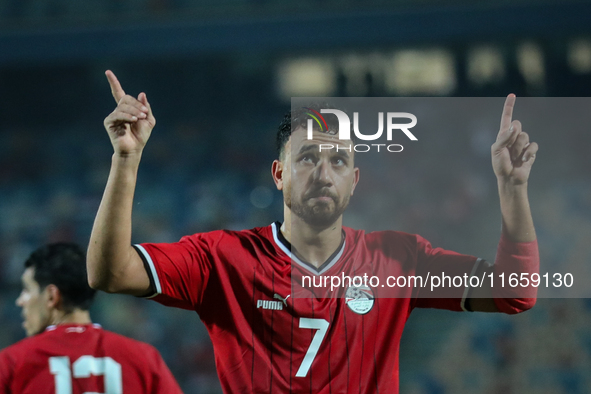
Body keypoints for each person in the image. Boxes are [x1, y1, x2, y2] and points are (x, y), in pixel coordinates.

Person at [87, 70, 539, 393]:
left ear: (355, 180)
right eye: (307, 158)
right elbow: (110, 273)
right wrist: (126, 159)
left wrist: (513, 187)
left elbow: (515, 292)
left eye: (338, 161)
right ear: (279, 173)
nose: (324, 173)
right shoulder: (223, 258)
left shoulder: (400, 259)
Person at [0, 242, 183, 394]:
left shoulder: (13, 362)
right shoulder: (144, 358)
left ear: (51, 296)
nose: (20, 301)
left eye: (26, 290)